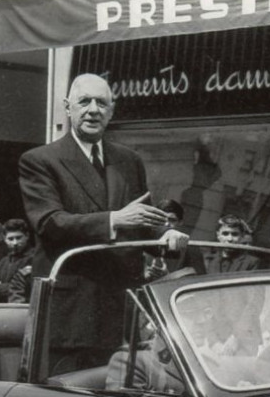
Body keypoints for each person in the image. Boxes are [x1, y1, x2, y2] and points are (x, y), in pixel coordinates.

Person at [19, 73, 184, 371]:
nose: (93, 109)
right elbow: (50, 223)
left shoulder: (128, 160)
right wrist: (113, 219)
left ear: (112, 110)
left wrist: (166, 236)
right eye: (84, 101)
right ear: (68, 108)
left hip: (119, 312)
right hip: (69, 318)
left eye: (102, 103)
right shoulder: (40, 160)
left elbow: (141, 219)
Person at [0, 218, 35, 303]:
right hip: (5, 309)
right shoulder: (3, 262)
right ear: (5, 239)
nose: (15, 243)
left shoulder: (34, 259)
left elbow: (28, 288)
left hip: (24, 307)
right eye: (10, 239)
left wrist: (0, 288)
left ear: (27, 236)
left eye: (18, 238)